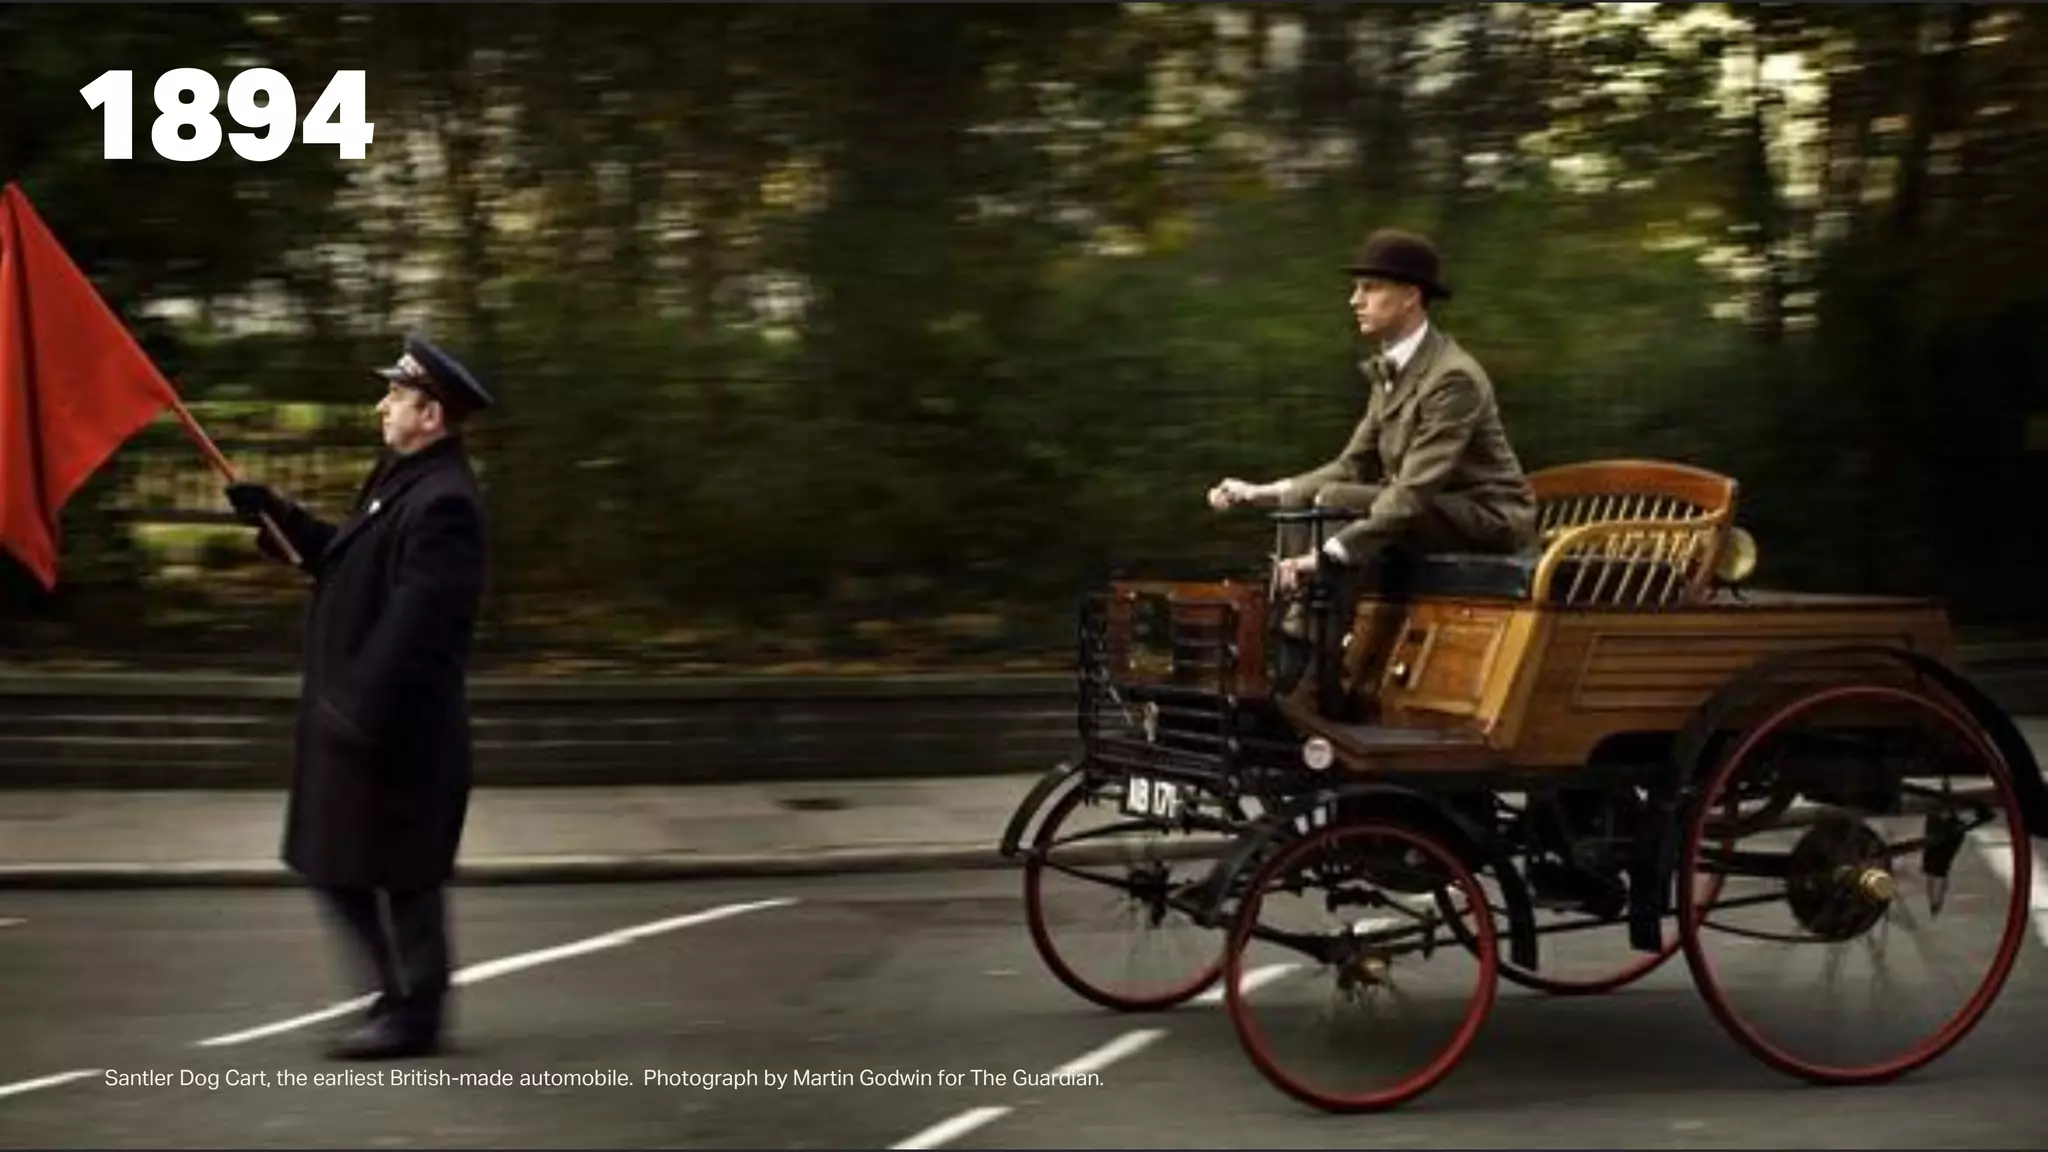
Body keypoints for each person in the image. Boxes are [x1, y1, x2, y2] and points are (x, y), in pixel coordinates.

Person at [223, 334, 492, 1060]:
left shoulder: (445, 504)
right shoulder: (403, 478)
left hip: (396, 737)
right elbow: (347, 560)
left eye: (396, 396)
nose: (382, 405)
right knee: (335, 864)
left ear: (430, 414)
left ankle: (412, 1015)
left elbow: (417, 624)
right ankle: (398, 999)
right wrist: (276, 514)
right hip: (363, 727)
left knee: (400, 880)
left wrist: (357, 709)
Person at [1209, 227, 1536, 596]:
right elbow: (1353, 464)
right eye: (1356, 288)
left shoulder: (1452, 377)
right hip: (1428, 508)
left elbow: (1414, 489)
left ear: (1410, 296)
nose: (1355, 300)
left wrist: (1332, 554)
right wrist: (1259, 492)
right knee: (1300, 499)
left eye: (1370, 288)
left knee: (1336, 500)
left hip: (1484, 519)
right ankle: (1293, 627)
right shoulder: (1392, 369)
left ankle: (1310, 642)